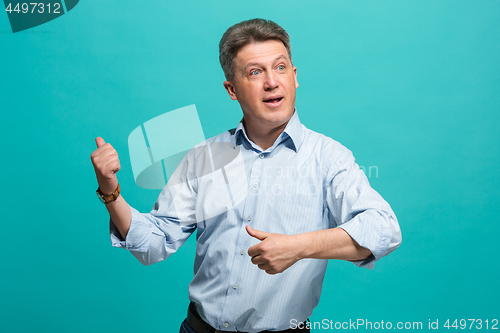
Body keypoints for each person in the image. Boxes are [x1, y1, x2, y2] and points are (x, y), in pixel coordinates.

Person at [91, 18, 402, 333]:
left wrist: (300, 246)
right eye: (255, 72)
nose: (271, 82)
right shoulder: (205, 157)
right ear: (231, 89)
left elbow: (384, 230)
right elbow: (154, 243)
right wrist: (110, 190)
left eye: (280, 68)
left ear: (294, 78)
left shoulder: (328, 158)